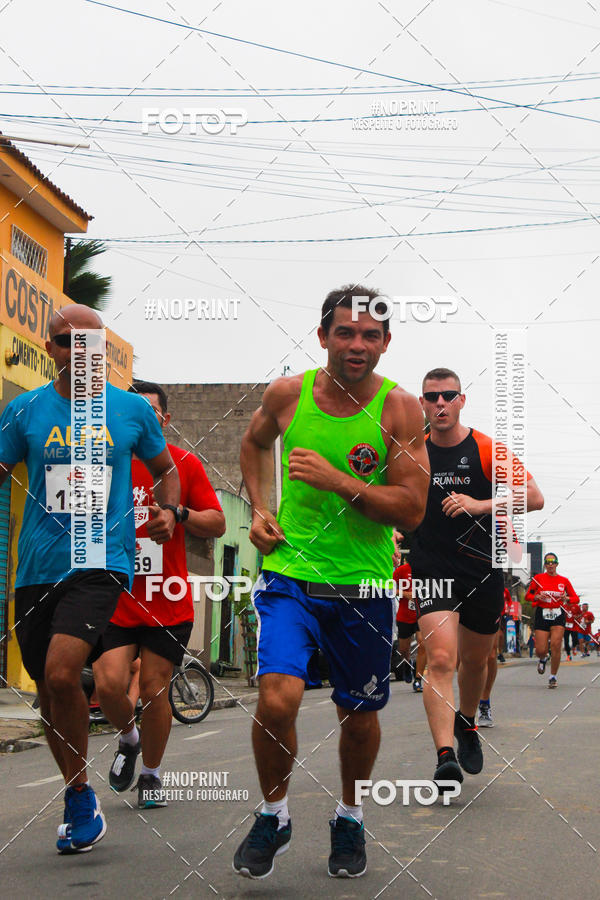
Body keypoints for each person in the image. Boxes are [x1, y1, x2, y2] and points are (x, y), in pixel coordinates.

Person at [233, 285, 429, 880]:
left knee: (359, 714)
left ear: (386, 343)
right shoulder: (289, 395)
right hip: (291, 573)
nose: (357, 345)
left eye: (371, 335)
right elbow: (252, 442)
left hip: (364, 587)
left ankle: (350, 813)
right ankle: (274, 813)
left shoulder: (400, 410)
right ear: (323, 337)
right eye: (345, 332)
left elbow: (412, 509)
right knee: (276, 698)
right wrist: (260, 511)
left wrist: (339, 479)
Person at [0, 307, 179, 854]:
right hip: (36, 567)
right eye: (65, 343)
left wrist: (168, 511)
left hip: (101, 560)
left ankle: (77, 801)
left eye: (90, 344)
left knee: (60, 673)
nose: (78, 353)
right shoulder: (24, 410)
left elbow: (165, 469)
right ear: (49, 348)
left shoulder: (128, 410)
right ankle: (80, 790)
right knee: (49, 695)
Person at [410, 368, 544, 788]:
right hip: (432, 570)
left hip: (482, 570)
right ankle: (444, 755)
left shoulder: (487, 449)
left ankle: (467, 721)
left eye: (448, 395)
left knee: (474, 661)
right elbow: (387, 496)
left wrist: (481, 504)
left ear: (462, 400)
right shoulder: (410, 453)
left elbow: (535, 497)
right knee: (441, 660)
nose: (440, 404)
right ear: (422, 404)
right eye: (431, 397)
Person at [93, 382, 225, 808]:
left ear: (164, 419)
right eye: (135, 410)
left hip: (167, 601)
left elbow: (218, 522)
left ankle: (151, 775)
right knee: (109, 682)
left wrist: (178, 513)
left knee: (153, 689)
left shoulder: (182, 465)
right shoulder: (107, 463)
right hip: (116, 597)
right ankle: (129, 740)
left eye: (151, 411)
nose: (143, 416)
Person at [525, 552, 579, 687]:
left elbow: (575, 599)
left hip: (558, 613)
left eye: (553, 562)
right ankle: (543, 658)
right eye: (548, 562)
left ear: (557, 564)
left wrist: (566, 599)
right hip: (542, 613)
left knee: (556, 645)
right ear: (545, 564)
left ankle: (553, 676)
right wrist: (537, 597)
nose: (550, 565)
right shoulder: (538, 578)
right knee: (540, 649)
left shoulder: (564, 581)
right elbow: (528, 596)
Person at [392, 533, 426, 692]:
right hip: (405, 615)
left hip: (421, 614)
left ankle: (418, 679)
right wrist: (404, 594)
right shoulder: (402, 571)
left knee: (422, 643)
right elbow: (389, 588)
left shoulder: (426, 571)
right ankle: (407, 665)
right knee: (404, 649)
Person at [477, 586, 511, 727]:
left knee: (491, 655)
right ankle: (467, 705)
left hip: (490, 601)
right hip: (464, 592)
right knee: (464, 656)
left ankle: (484, 703)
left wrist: (506, 608)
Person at [563, 596, 581, 660]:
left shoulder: (576, 606)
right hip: (566, 626)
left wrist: (577, 616)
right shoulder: (564, 606)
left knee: (575, 638)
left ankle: (574, 647)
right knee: (566, 641)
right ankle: (568, 655)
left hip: (574, 626)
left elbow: (580, 614)